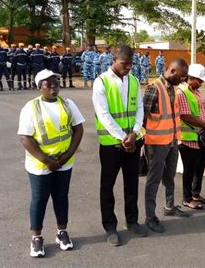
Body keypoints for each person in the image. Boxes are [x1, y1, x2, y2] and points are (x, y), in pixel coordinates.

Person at [18, 69, 85, 258]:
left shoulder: (68, 104)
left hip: (64, 161)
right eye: (48, 84)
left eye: (56, 82)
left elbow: (78, 129)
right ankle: (36, 237)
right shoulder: (30, 108)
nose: (54, 86)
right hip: (40, 165)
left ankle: (62, 232)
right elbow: (25, 138)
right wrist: (47, 160)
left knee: (61, 197)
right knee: (39, 200)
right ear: (40, 87)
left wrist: (67, 155)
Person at [92, 45, 148, 246]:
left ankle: (132, 221)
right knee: (107, 187)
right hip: (111, 145)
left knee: (131, 184)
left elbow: (140, 109)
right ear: (114, 60)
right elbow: (103, 114)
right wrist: (123, 137)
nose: (128, 68)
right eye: (124, 64)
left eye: (130, 64)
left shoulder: (133, 81)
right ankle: (110, 227)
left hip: (132, 142)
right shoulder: (101, 82)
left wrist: (134, 133)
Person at [143, 58, 190, 233]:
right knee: (153, 180)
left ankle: (169, 206)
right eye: (182, 76)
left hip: (172, 141)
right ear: (172, 71)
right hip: (156, 144)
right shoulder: (154, 88)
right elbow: (143, 118)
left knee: (169, 176)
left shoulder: (172, 88)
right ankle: (150, 217)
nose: (183, 80)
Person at [177, 64, 205, 210]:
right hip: (188, 138)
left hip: (201, 138)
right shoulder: (182, 92)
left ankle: (196, 194)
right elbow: (186, 115)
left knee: (200, 167)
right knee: (189, 169)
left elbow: (203, 110)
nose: (201, 83)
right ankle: (187, 198)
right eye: (199, 80)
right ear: (190, 78)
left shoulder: (196, 92)